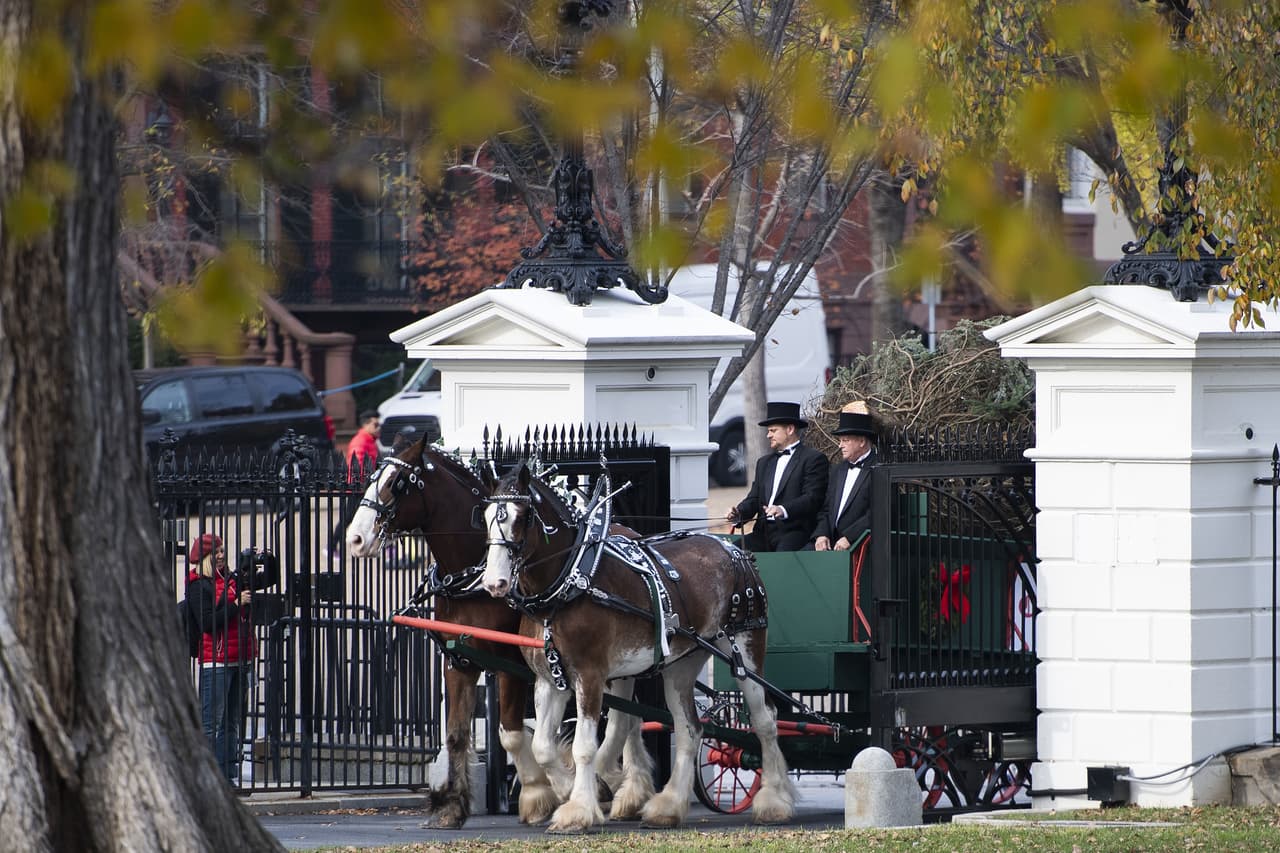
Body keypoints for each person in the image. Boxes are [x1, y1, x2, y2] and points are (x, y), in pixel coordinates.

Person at [186, 533, 280, 783]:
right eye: (215, 552)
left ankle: (227, 775)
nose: (220, 556)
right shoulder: (198, 584)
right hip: (215, 661)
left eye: (222, 551)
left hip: (241, 657)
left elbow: (270, 579)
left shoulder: (233, 579)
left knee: (232, 722)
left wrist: (268, 560)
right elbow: (207, 623)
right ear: (204, 557)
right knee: (211, 722)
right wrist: (237, 604)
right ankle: (206, 778)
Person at [725, 401, 828, 552]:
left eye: (773, 430)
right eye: (768, 431)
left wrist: (783, 509)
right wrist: (738, 513)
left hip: (794, 532)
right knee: (732, 553)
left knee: (780, 560)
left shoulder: (813, 459)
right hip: (763, 533)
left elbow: (812, 498)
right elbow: (754, 498)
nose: (768, 435)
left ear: (790, 429)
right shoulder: (764, 463)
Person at [811, 402, 878, 552]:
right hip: (832, 544)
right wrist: (821, 534)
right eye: (840, 440)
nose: (840, 445)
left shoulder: (879, 468)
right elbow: (826, 509)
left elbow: (879, 512)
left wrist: (850, 537)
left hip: (862, 543)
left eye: (845, 440)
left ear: (861, 441)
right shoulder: (837, 470)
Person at [347, 409, 381, 479]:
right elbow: (357, 469)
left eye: (379, 425)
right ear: (365, 425)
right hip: (360, 486)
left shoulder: (370, 440)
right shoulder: (360, 442)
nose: (379, 428)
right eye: (376, 425)